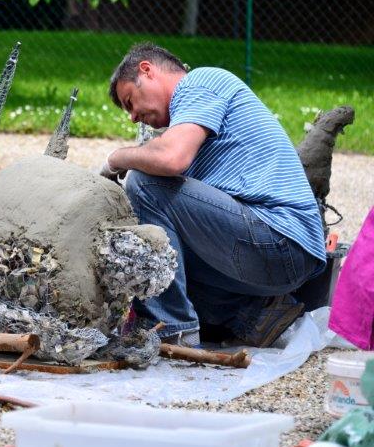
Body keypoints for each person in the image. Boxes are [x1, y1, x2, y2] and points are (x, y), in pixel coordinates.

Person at [101, 42, 326, 348]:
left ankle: (170, 329)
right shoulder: (191, 119)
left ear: (147, 70)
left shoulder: (201, 82)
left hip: (279, 237)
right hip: (278, 253)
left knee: (145, 181)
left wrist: (116, 159)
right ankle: (254, 315)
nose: (132, 117)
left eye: (130, 102)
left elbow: (171, 160)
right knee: (160, 263)